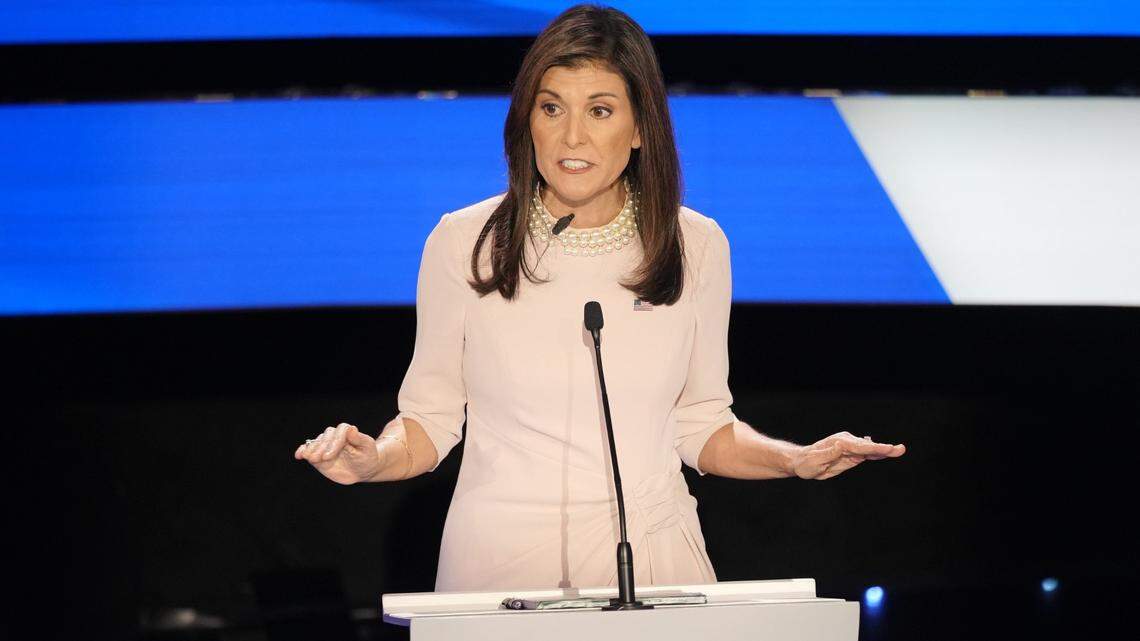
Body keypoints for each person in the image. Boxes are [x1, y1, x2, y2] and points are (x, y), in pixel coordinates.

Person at [294, 4, 905, 592]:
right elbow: (429, 421)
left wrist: (793, 460)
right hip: (501, 564)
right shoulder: (465, 242)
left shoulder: (695, 245)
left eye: (601, 110)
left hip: (652, 562)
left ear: (639, 127)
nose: (572, 136)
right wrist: (373, 460)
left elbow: (701, 425)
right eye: (551, 108)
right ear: (527, 120)